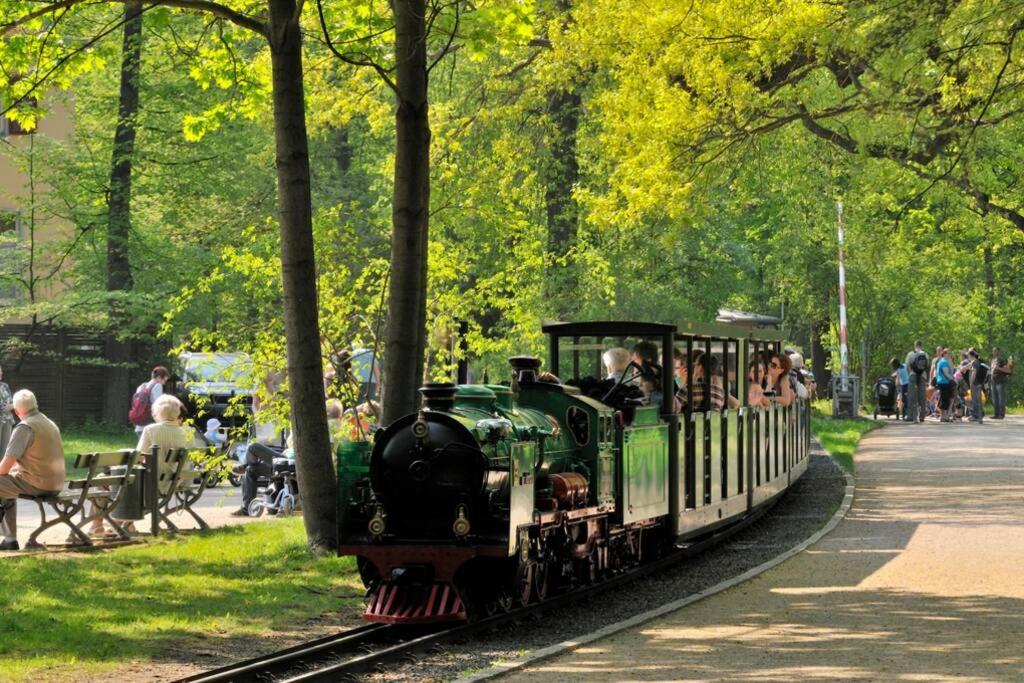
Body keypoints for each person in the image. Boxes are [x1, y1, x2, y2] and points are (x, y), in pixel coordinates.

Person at [0, 390, 66, 551]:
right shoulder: (49, 423)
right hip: (55, 483)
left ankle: (10, 539)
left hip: (38, 484)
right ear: (36, 405)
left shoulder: (24, 427)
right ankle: (9, 540)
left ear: (16, 411)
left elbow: (4, 469)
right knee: (5, 486)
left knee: (3, 483)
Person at [131, 366, 171, 434]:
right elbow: (158, 406)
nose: (164, 383)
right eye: (164, 380)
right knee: (154, 445)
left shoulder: (142, 386)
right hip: (150, 425)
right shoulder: (158, 385)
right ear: (158, 377)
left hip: (139, 424)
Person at [904, 341, 928, 423]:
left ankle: (911, 416)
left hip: (913, 375)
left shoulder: (910, 354)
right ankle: (922, 416)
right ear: (921, 346)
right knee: (922, 396)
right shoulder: (925, 354)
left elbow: (907, 365)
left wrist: (910, 374)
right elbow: (926, 365)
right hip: (922, 376)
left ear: (914, 345)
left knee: (912, 396)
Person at [990, 347, 1013, 419]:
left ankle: (1001, 414)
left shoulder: (1002, 360)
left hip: (1001, 381)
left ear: (999, 352)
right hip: (993, 381)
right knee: (994, 399)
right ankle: (996, 414)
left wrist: (999, 368)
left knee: (1001, 399)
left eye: (995, 351)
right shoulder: (993, 360)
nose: (994, 352)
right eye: (993, 351)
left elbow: (1009, 370)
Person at [934, 349, 956, 422]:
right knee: (945, 399)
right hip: (944, 382)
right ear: (944, 354)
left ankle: (945, 416)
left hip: (945, 382)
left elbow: (951, 371)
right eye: (948, 353)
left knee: (945, 399)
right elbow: (946, 373)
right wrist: (953, 380)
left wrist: (951, 363)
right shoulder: (943, 362)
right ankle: (943, 416)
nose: (949, 355)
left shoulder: (946, 361)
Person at [966, 348, 986, 424]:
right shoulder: (978, 361)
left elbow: (974, 372)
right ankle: (978, 416)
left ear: (971, 355)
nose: (967, 356)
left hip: (975, 383)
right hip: (979, 383)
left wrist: (971, 382)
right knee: (978, 400)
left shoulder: (974, 362)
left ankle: (976, 416)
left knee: (975, 400)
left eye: (968, 354)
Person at [0, 365, 14, 456]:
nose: (1, 373)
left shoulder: (5, 386)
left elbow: (12, 401)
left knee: (6, 448)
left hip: (7, 419)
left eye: (1, 371)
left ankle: (3, 469)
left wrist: (11, 406)